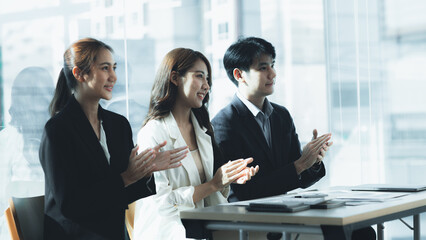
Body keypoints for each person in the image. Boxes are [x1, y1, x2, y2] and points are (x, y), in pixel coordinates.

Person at [212, 37, 375, 240]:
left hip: (285, 211)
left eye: (272, 65)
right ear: (239, 74)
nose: (273, 73)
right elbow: (244, 191)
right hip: (250, 219)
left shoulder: (281, 115)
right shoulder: (224, 123)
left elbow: (298, 176)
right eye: (263, 68)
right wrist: (299, 165)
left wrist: (312, 162)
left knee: (361, 231)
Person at [39, 38, 188, 240]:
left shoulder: (118, 125)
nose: (113, 77)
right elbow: (70, 205)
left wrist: (144, 172)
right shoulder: (57, 131)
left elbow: (123, 195)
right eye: (105, 68)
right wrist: (126, 177)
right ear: (79, 74)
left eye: (114, 68)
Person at [133, 48, 259, 240]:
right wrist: (213, 184)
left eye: (208, 79)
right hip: (168, 233)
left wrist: (228, 179)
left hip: (201, 229)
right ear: (175, 77)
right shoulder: (152, 133)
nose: (206, 86)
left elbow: (209, 191)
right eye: (200, 76)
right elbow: (162, 203)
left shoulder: (203, 130)